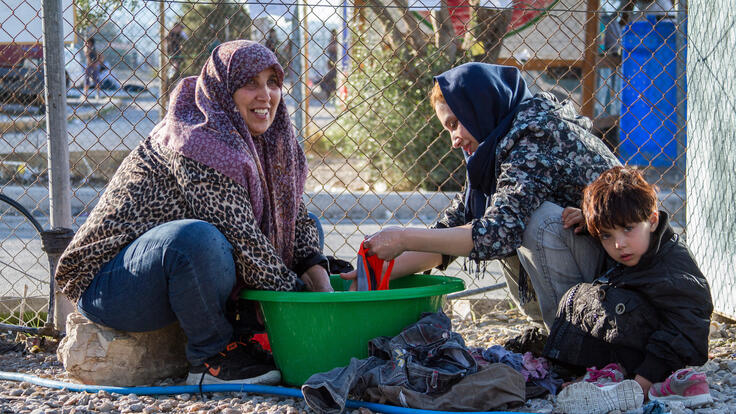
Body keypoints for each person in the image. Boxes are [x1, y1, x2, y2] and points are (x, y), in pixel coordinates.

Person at [55, 40, 333, 386]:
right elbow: (242, 239)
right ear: (224, 90)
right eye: (250, 84)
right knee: (196, 239)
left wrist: (315, 270)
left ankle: (247, 334)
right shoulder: (197, 139)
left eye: (272, 83)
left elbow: (297, 215)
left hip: (173, 279)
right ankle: (211, 360)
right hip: (112, 288)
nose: (266, 95)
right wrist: (305, 307)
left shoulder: (270, 138)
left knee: (301, 229)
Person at [342, 62, 620, 329]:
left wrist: (403, 237)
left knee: (535, 222)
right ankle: (550, 334)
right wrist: (374, 273)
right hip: (592, 263)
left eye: (454, 124)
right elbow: (453, 231)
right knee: (496, 219)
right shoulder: (498, 145)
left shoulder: (536, 131)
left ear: (477, 107)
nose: (454, 141)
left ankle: (575, 337)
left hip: (619, 276)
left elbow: (497, 233)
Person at [545, 167, 713, 411]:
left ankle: (634, 379)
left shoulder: (672, 269)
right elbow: (618, 232)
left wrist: (641, 385)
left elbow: (686, 327)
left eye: (627, 229)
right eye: (606, 235)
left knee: (611, 302)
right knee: (583, 297)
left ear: (653, 221)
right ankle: (604, 373)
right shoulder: (636, 245)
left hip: (658, 359)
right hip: (637, 345)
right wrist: (593, 221)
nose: (618, 244)